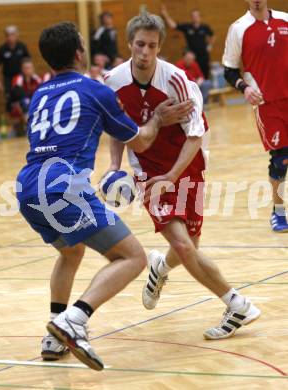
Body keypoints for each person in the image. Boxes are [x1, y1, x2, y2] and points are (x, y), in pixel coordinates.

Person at [16, 22, 192, 368]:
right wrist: (157, 118)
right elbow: (140, 140)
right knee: (132, 258)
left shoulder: (39, 94)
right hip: (64, 186)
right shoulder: (95, 90)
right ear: (80, 53)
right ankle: (74, 319)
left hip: (26, 185)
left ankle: (53, 336)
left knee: (70, 251)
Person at [105, 12, 260, 341]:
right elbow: (116, 129)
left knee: (190, 245)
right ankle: (238, 304)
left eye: (152, 45)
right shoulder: (113, 81)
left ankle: (160, 268)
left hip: (187, 164)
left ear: (160, 47)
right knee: (183, 245)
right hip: (149, 171)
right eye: (139, 45)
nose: (145, 52)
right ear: (129, 44)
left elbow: (195, 133)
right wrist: (114, 167)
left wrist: (173, 175)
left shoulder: (177, 81)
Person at [222, 1, 288, 232]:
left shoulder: (284, 19)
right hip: (267, 103)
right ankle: (278, 213)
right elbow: (229, 71)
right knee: (281, 158)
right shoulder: (239, 28)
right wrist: (245, 88)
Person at [161, 5, 214, 79]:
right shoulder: (187, 27)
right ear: (191, 17)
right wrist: (165, 14)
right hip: (192, 59)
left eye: (197, 16)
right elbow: (173, 26)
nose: (195, 17)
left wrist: (210, 46)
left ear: (199, 17)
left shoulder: (205, 27)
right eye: (193, 16)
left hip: (204, 57)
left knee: (204, 78)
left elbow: (212, 36)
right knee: (193, 79)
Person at [0, 25, 30, 112]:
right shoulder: (2, 49)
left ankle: (24, 121)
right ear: (6, 37)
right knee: (10, 102)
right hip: (8, 79)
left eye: (13, 35)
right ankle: (17, 122)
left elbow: (28, 61)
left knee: (23, 100)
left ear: (17, 35)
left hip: (21, 78)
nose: (10, 37)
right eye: (8, 35)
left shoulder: (22, 46)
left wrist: (29, 75)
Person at [10, 58, 41, 135]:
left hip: (32, 103)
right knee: (24, 102)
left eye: (30, 68)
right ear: (22, 69)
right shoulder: (18, 79)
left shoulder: (36, 79)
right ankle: (28, 126)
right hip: (18, 104)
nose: (28, 70)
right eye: (26, 68)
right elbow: (17, 96)